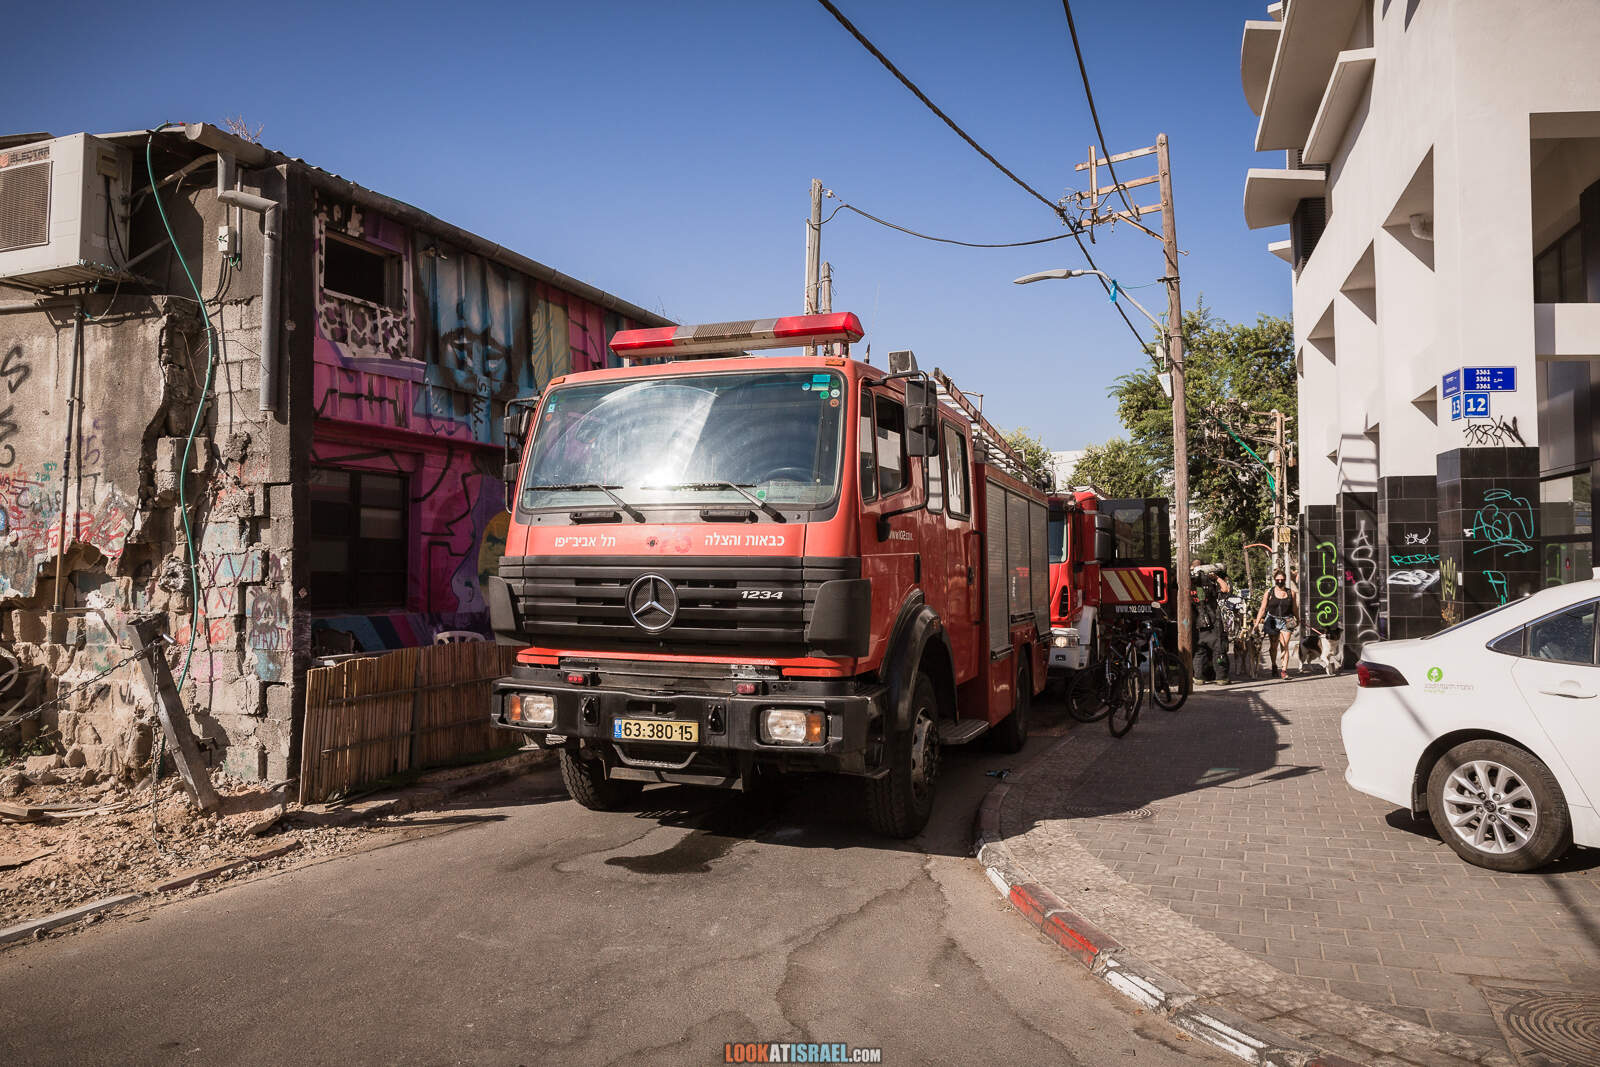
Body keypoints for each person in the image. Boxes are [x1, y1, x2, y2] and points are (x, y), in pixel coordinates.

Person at [1255, 569, 1299, 679]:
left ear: (1285, 580)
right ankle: (1274, 665)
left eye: (1282, 580)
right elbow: (1262, 609)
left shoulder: (1291, 593)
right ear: (1275, 580)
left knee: (1284, 645)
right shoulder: (1269, 592)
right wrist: (1256, 623)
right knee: (1273, 646)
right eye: (1277, 580)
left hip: (1287, 620)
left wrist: (1298, 619)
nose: (1280, 581)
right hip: (1272, 620)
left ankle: (1284, 670)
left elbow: (1294, 609)